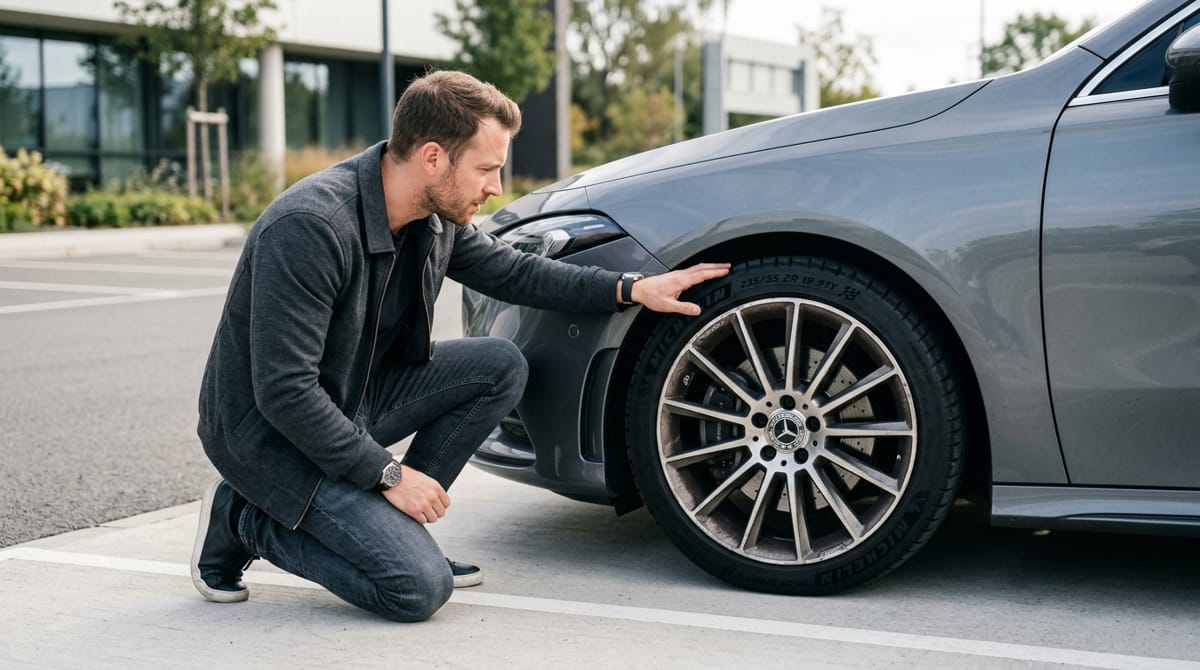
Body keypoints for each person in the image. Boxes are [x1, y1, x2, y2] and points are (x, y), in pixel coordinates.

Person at [191, 69, 730, 622]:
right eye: (487, 169)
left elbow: (515, 272)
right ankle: (243, 518)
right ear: (433, 157)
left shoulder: (432, 218)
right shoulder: (311, 227)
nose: (496, 187)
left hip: (352, 400)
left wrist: (631, 288)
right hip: (270, 437)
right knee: (417, 589)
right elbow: (285, 392)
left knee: (499, 365)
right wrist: (388, 474)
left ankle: (393, 531)